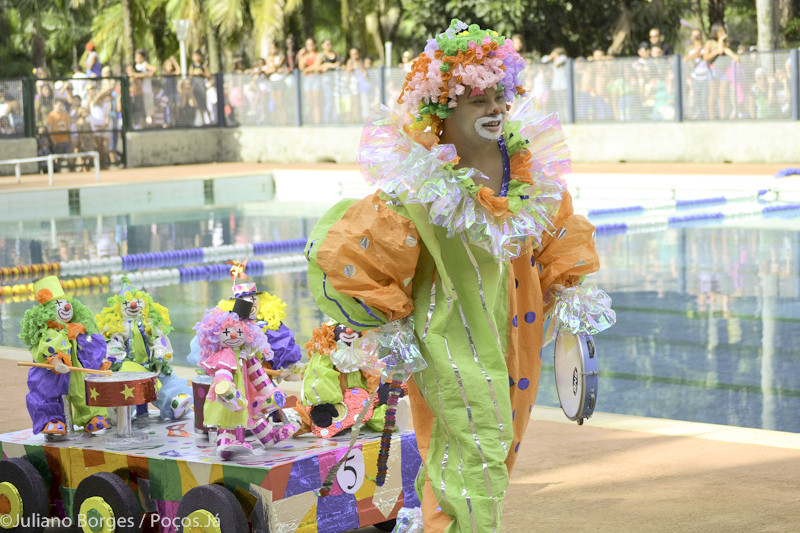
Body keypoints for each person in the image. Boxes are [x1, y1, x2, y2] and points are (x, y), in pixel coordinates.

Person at [304, 20, 615, 532]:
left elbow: (557, 231)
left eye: (499, 96)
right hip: (447, 339)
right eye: (478, 100)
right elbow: (358, 256)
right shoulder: (418, 182)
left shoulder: (527, 165)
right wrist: (390, 329)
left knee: (492, 452)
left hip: (518, 329)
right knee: (477, 448)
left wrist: (568, 292)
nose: (495, 108)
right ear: (441, 112)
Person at [46, 99, 74, 171]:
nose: (61, 107)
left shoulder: (65, 115)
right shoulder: (51, 116)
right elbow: (49, 130)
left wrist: (71, 138)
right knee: (59, 161)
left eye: (62, 105)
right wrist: (53, 140)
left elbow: (68, 128)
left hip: (66, 140)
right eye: (59, 105)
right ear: (54, 105)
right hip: (57, 141)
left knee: (70, 159)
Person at [190, 49, 212, 124]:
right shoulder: (192, 65)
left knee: (204, 106)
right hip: (195, 88)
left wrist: (202, 73)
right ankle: (203, 122)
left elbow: (209, 75)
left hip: (202, 87)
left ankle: (210, 120)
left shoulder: (203, 65)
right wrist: (194, 73)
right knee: (198, 106)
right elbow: (189, 75)